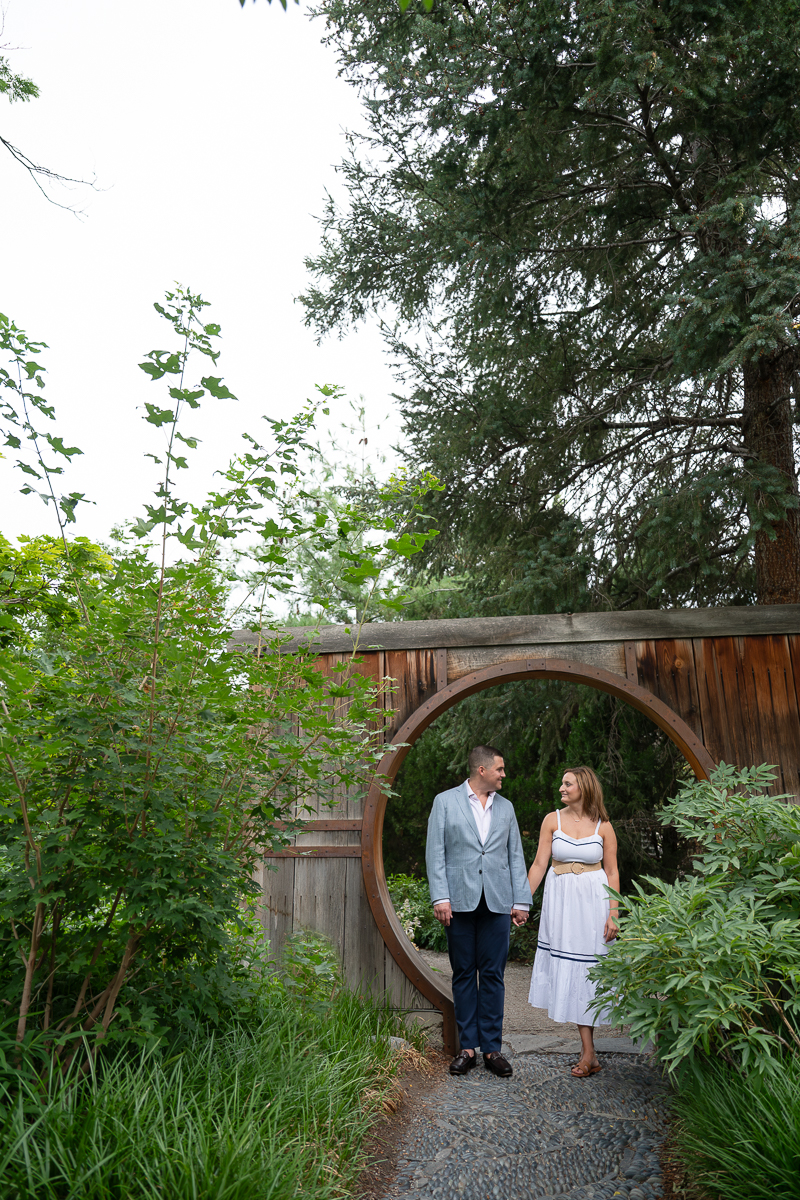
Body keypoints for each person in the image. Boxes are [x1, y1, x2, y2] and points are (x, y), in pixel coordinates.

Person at [426, 745, 532, 1077]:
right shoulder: (445, 802)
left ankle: (492, 1050)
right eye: (500, 769)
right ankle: (467, 1048)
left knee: (492, 976)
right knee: (463, 974)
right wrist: (440, 897)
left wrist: (522, 900)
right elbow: (436, 853)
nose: (504, 774)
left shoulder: (507, 808)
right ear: (482, 770)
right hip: (457, 902)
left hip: (498, 902)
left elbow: (515, 856)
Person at [526, 765, 619, 1078]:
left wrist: (614, 913)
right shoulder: (552, 820)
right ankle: (588, 1050)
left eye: (568, 784)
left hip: (594, 905)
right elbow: (540, 863)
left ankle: (588, 1052)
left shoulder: (603, 826)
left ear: (584, 787)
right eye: (562, 783)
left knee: (589, 971)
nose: (562, 788)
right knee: (573, 969)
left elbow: (612, 872)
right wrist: (522, 901)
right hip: (562, 905)